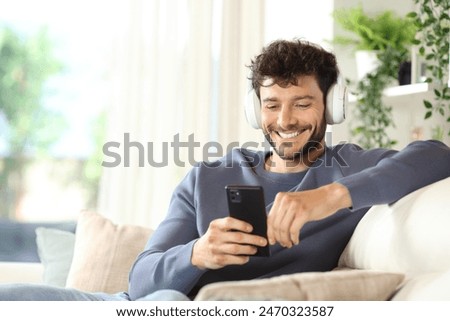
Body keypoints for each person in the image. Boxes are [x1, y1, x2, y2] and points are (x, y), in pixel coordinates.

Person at [1, 39, 449, 301]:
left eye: (303, 103)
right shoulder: (208, 176)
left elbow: (437, 154)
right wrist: (197, 253)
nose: (286, 120)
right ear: (257, 112)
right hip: (136, 306)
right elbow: (139, 280)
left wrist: (331, 196)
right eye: (272, 105)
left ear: (332, 106)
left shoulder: (349, 167)